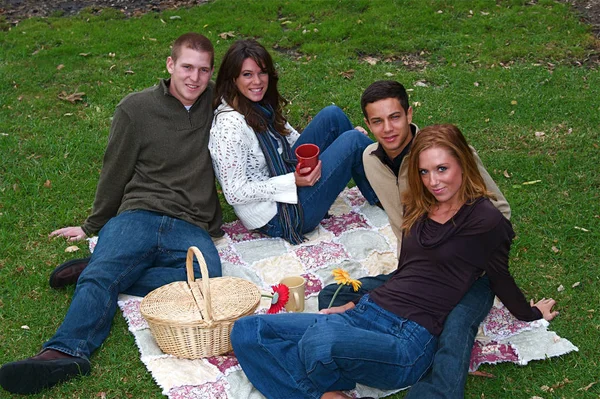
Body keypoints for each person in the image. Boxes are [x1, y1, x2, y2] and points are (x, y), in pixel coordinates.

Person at [230, 124, 558, 399]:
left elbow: (500, 277)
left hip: (407, 340)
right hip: (367, 313)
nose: (433, 181)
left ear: (463, 164)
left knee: (319, 342)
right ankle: (324, 395)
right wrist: (355, 304)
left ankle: (312, 386)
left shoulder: (486, 220)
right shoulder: (419, 205)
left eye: (442, 169)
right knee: (247, 331)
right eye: (425, 172)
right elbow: (409, 272)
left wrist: (531, 314)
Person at [0, 33, 223, 395]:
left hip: (189, 223)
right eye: (186, 67)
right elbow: (115, 170)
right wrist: (93, 225)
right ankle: (64, 351)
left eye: (203, 70)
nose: (194, 78)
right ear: (170, 65)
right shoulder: (135, 109)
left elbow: (256, 98)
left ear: (211, 73)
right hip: (139, 214)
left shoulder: (217, 102)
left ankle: (105, 268)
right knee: (101, 276)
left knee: (208, 277)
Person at [318, 80, 510, 398]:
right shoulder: (371, 160)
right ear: (367, 124)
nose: (388, 128)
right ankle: (393, 349)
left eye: (394, 117)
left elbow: (500, 211)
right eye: (377, 121)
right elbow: (401, 224)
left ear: (409, 114)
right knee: (333, 296)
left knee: (456, 328)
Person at [209, 39, 378, 244]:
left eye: (262, 72)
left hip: (283, 177)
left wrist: (337, 145)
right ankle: (384, 197)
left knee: (333, 116)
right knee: (353, 142)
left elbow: (294, 141)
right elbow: (234, 193)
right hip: (277, 216)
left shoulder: (257, 105)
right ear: (232, 78)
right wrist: (292, 181)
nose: (258, 81)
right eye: (247, 74)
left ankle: (375, 193)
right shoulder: (229, 126)